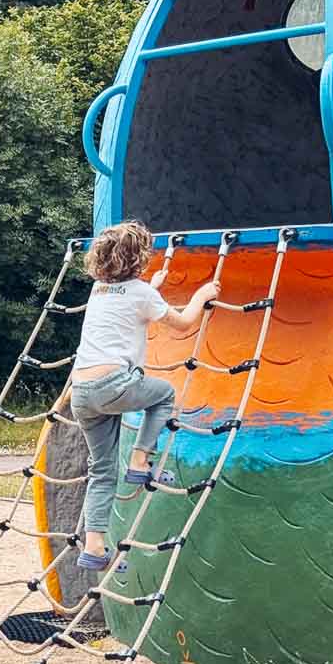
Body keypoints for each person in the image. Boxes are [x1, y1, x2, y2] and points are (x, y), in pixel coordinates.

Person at [67, 221, 219, 572]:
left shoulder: (99, 290)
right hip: (113, 385)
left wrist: (152, 288)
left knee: (101, 472)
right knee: (163, 394)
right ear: (139, 259)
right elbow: (182, 323)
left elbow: (127, 304)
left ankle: (94, 547)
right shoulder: (141, 294)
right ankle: (139, 461)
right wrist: (202, 296)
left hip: (82, 393)